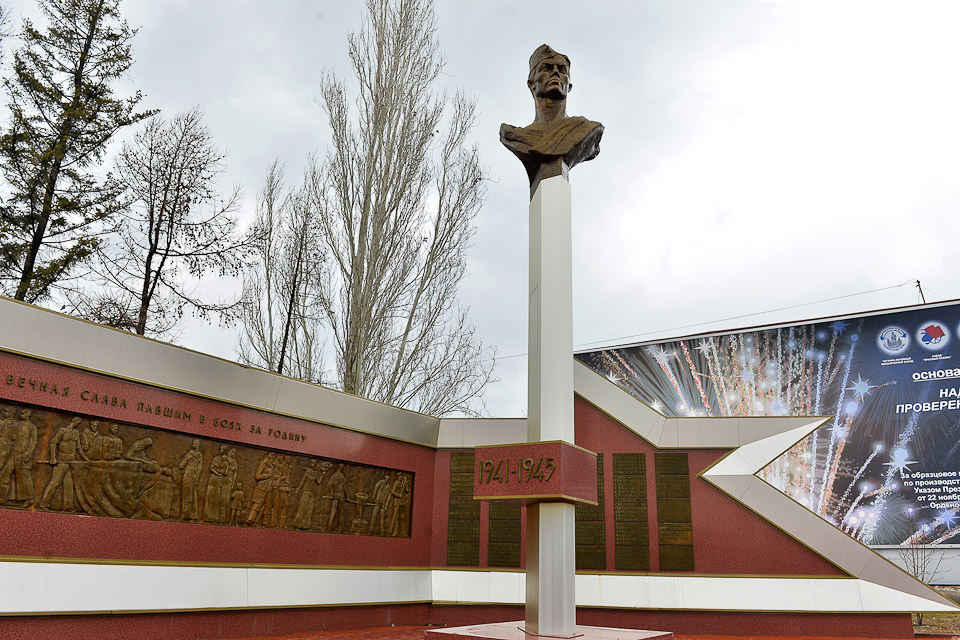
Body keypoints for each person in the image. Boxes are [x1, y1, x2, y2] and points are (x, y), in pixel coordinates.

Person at [500, 44, 603, 187]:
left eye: (562, 70)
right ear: (531, 83)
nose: (555, 73)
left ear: (569, 86)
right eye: (546, 68)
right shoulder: (515, 135)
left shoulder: (585, 128)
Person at [39, 416, 82, 510]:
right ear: (73, 421)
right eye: (78, 423)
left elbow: (78, 448)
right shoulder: (63, 430)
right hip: (62, 462)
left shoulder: (76, 432)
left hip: (71, 462)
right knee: (54, 483)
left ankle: (68, 507)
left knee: (69, 485)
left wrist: (86, 459)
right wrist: (53, 458)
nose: (78, 425)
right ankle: (44, 503)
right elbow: (53, 443)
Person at [201, 445, 229, 523]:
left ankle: (214, 519)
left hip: (219, 482)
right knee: (209, 498)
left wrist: (221, 469)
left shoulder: (226, 462)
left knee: (216, 500)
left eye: (222, 449)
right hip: (212, 480)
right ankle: (206, 518)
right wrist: (217, 472)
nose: (221, 450)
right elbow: (211, 468)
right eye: (220, 449)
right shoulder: (216, 458)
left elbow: (225, 472)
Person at [178, 439, 203, 521]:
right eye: (193, 443)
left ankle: (192, 515)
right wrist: (185, 461)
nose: (193, 444)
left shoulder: (199, 456)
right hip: (188, 474)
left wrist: (196, 479)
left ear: (198, 444)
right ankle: (185, 515)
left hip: (192, 475)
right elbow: (182, 465)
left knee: (192, 494)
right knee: (186, 492)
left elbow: (199, 468)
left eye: (194, 443)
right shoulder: (190, 453)